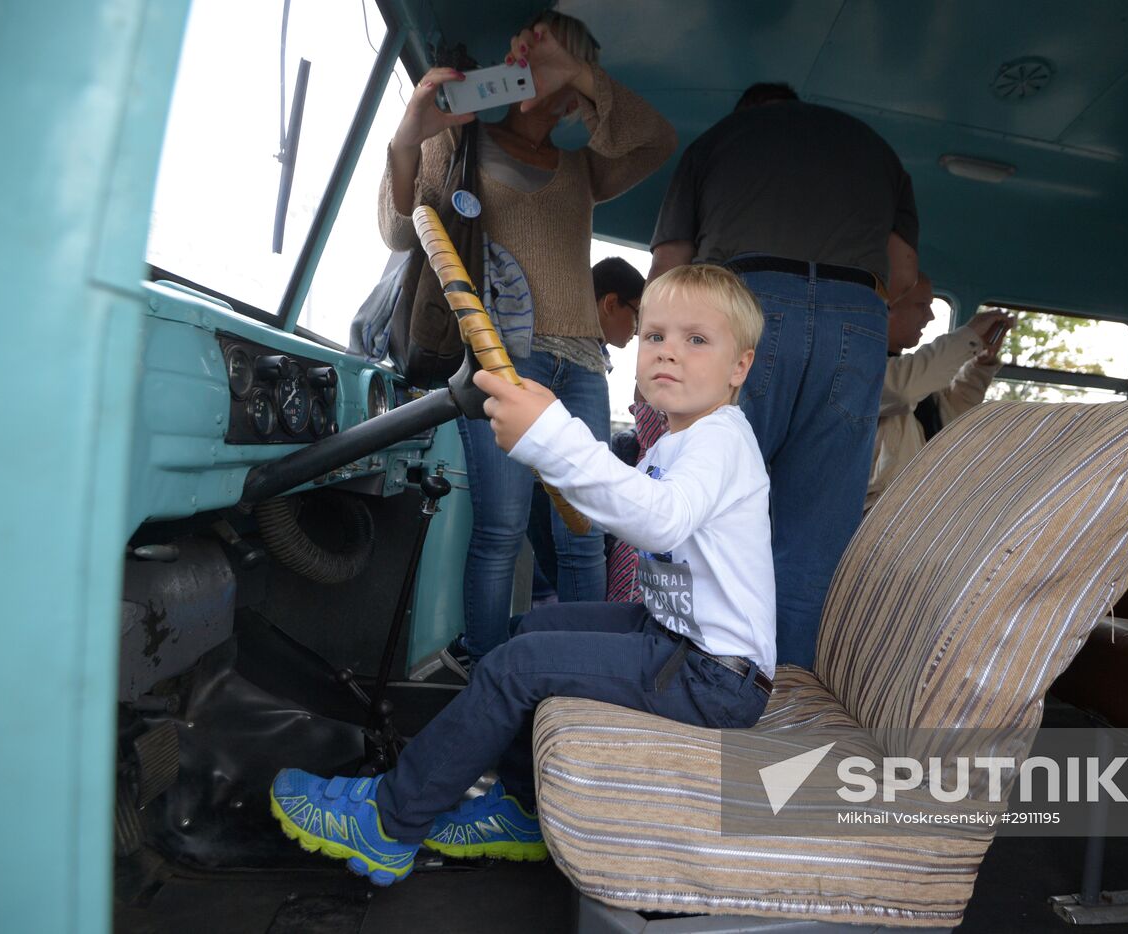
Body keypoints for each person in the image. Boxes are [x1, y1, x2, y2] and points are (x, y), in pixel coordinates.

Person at [270, 264, 775, 885]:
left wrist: (548, 436)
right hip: (674, 636)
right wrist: (549, 429)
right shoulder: (676, 439)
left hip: (714, 678)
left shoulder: (721, 439)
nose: (669, 351)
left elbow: (661, 521)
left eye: (697, 340)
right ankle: (520, 809)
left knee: (515, 667)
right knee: (528, 630)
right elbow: (619, 499)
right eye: (654, 336)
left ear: (739, 368)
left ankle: (388, 824)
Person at [380, 13, 676, 667]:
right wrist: (408, 138)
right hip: (498, 358)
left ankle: (579, 674)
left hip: (579, 366)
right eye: (518, 42)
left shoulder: (582, 170)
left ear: (571, 90)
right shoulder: (460, 140)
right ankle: (487, 674)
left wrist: (584, 76)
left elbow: (657, 141)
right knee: (502, 529)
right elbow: (403, 232)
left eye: (538, 50)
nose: (517, 49)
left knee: (583, 536)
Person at [647, 82, 919, 669]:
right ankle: (782, 704)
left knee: (703, 503)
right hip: (858, 315)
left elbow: (670, 268)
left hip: (747, 301)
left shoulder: (717, 141)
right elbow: (902, 273)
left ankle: (685, 678)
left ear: (748, 114)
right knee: (816, 536)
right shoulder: (877, 149)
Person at [527, 256, 647, 598]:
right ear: (611, 303)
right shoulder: (577, 366)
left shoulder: (596, 361)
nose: (638, 329)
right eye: (637, 315)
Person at [865, 274, 1012, 513]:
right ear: (885, 309)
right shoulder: (861, 370)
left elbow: (951, 414)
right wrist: (969, 336)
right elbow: (903, 390)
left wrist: (981, 364)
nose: (930, 316)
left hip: (913, 512)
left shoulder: (912, 375)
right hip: (877, 516)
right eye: (921, 306)